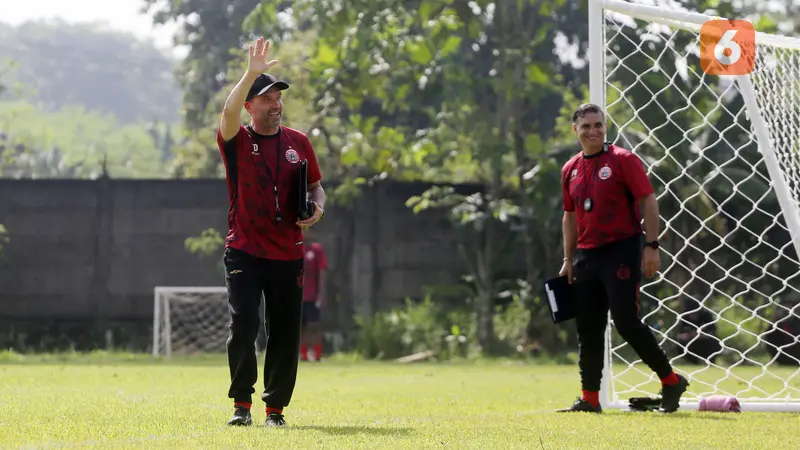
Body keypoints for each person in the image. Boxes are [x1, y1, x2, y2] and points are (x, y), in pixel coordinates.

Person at [216, 36, 326, 427]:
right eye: (267, 98)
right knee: (243, 324)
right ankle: (241, 406)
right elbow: (227, 114)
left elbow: (315, 187)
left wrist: (318, 209)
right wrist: (251, 73)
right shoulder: (237, 140)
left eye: (279, 98)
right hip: (244, 250)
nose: (276, 104)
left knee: (283, 333)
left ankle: (275, 410)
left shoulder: (300, 142)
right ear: (251, 106)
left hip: (288, 253)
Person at [557, 103, 688, 414]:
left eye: (598, 124)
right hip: (586, 257)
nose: (593, 131)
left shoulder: (623, 160)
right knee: (588, 328)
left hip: (622, 250)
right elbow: (570, 217)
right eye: (586, 126)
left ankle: (671, 381)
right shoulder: (569, 169)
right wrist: (567, 258)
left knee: (626, 322)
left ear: (605, 127)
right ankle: (589, 399)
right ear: (576, 130)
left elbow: (649, 201)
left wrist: (651, 245)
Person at [299, 230, 328, 362]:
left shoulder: (316, 250)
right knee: (301, 326)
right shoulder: (295, 249)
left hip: (312, 296)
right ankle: (303, 354)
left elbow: (322, 272)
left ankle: (317, 354)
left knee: (314, 325)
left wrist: (321, 294)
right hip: (298, 296)